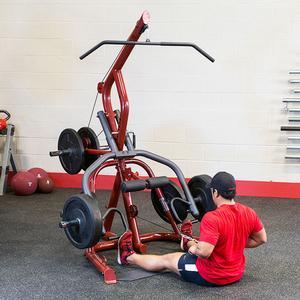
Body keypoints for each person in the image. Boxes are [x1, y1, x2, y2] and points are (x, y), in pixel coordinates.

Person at [117, 171, 267, 286]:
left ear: (215, 192)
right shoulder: (249, 212)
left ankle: (128, 257)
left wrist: (193, 249)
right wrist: (233, 242)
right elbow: (262, 239)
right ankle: (186, 240)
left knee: (167, 260)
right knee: (204, 243)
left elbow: (204, 253)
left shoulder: (212, 218)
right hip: (237, 273)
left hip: (211, 275)